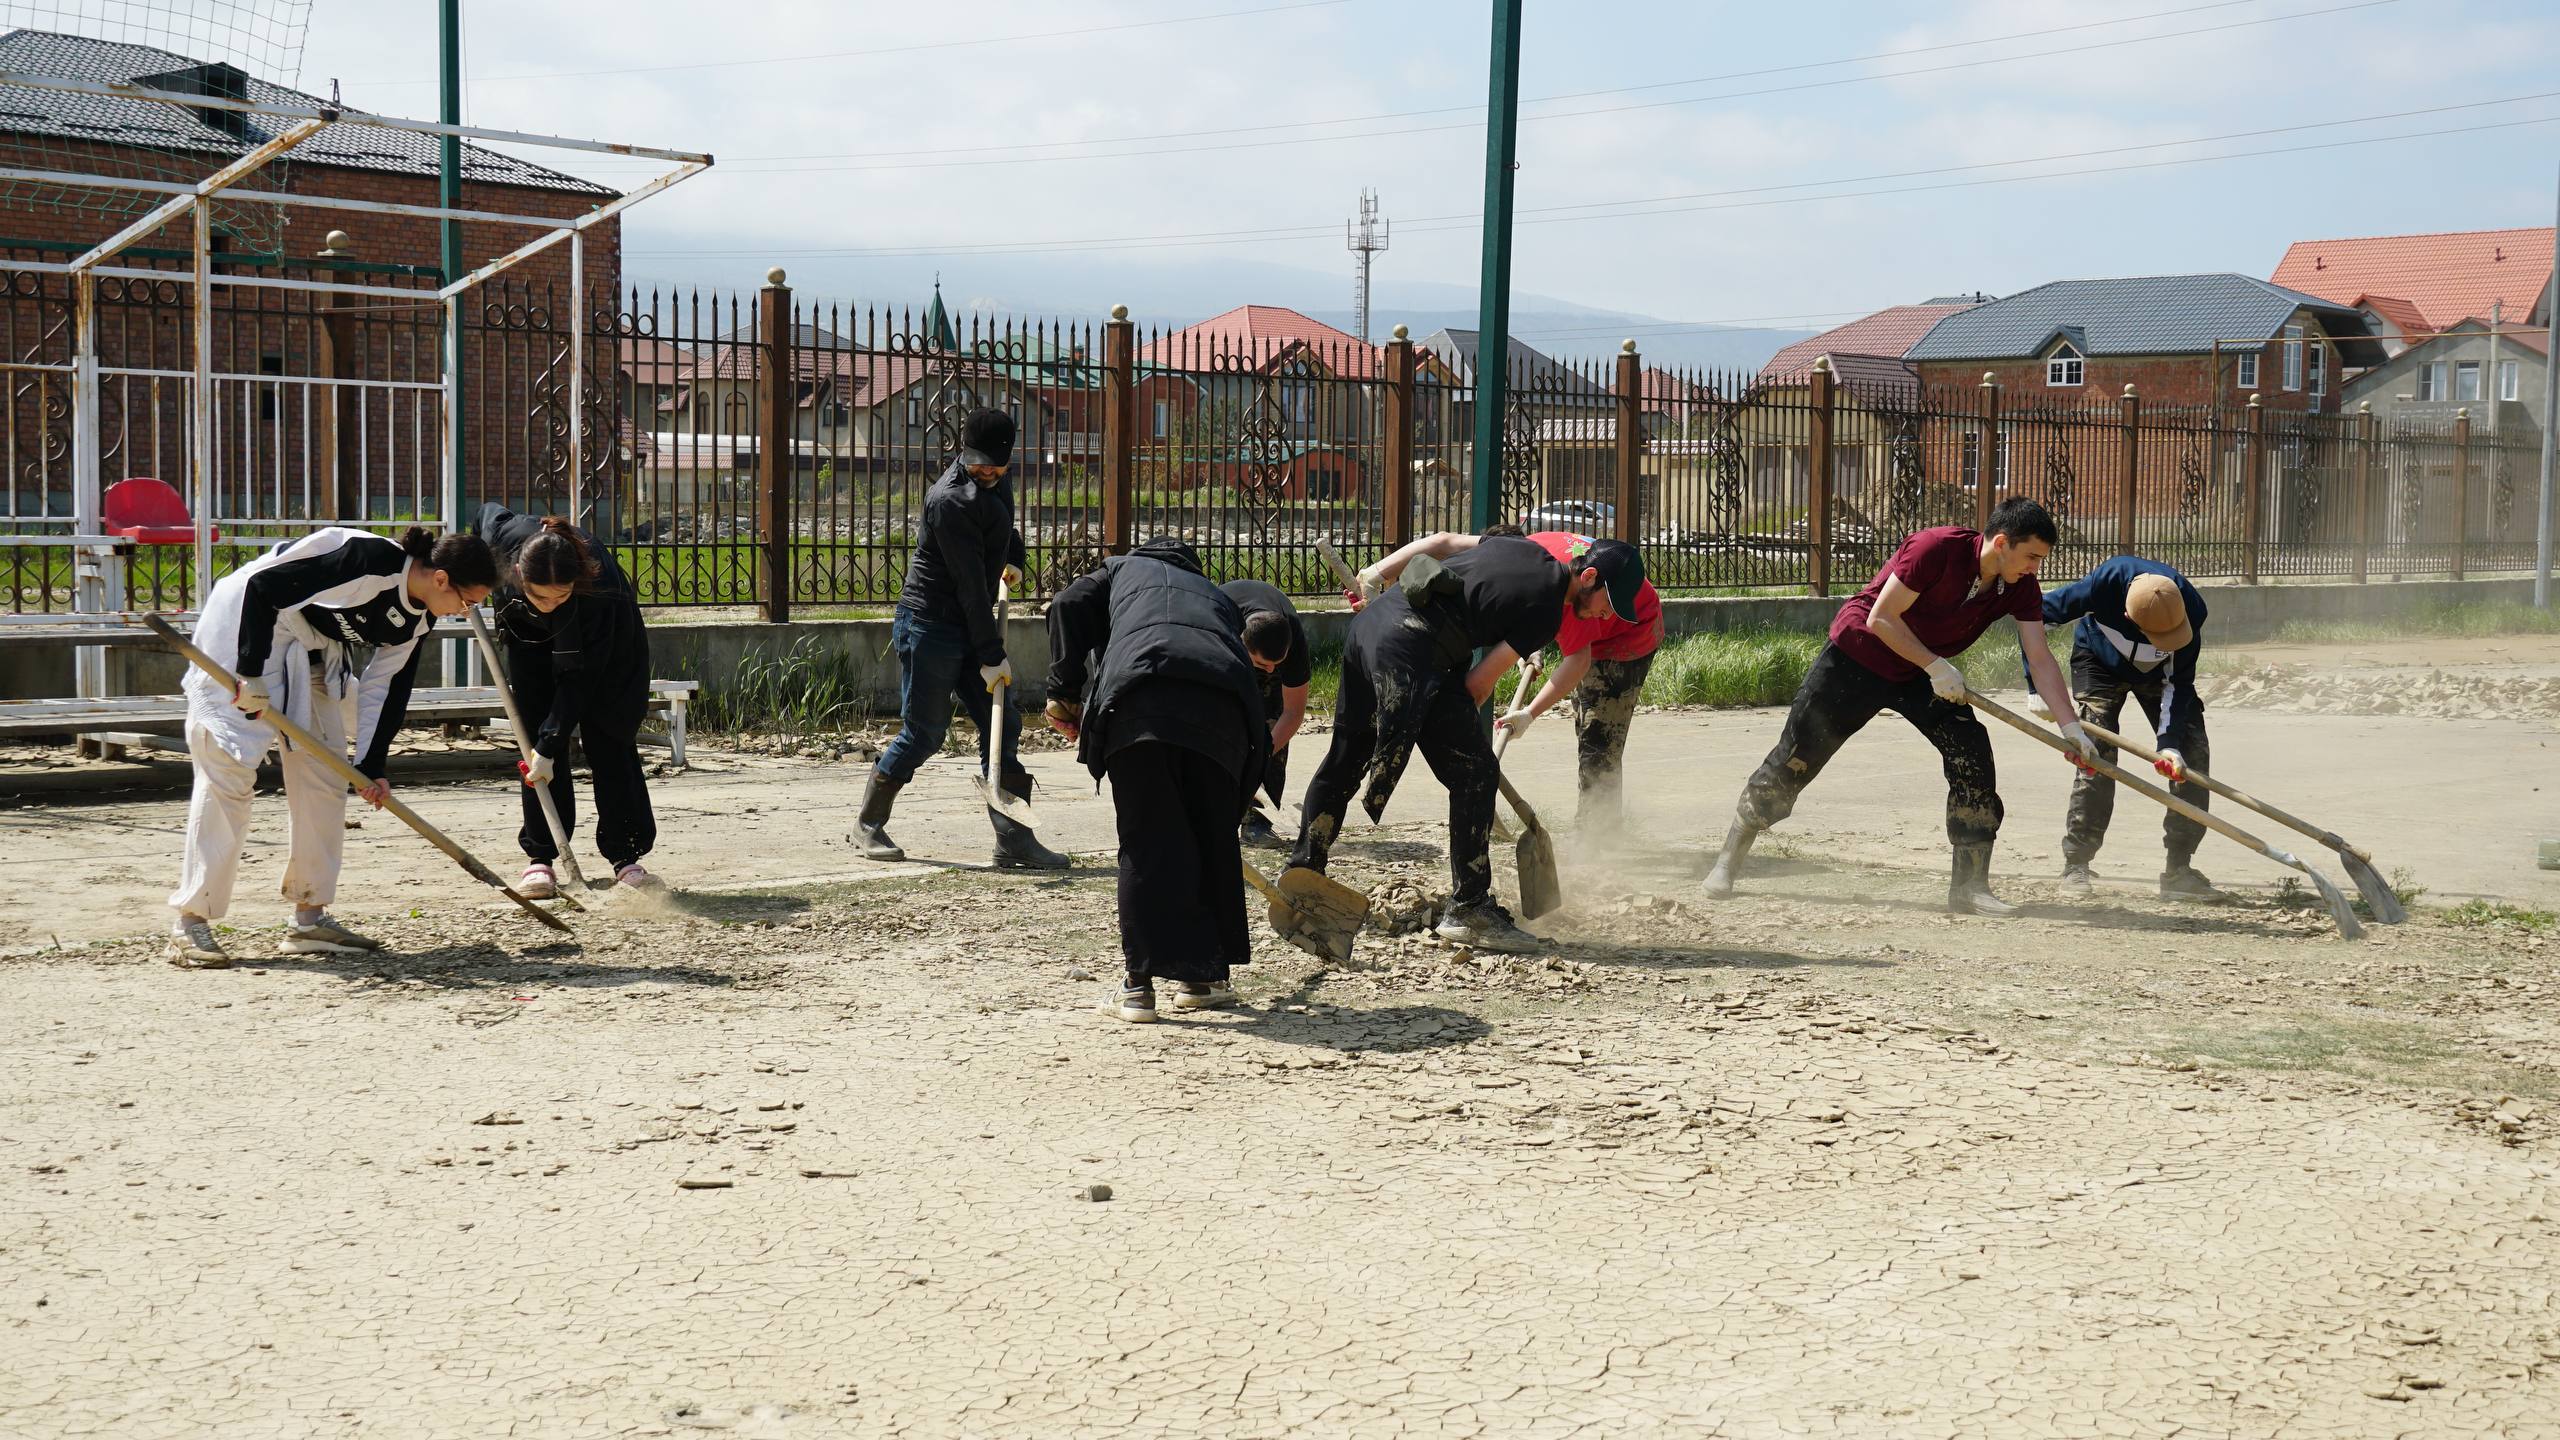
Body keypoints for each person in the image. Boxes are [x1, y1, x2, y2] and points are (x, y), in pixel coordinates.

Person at [1699, 497, 2094, 916]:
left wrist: (2070, 727)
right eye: (2031, 556)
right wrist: (1937, 666)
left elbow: (2038, 656)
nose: (2036, 568)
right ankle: (1730, 857)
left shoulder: (2019, 586)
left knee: (1972, 754)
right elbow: (1882, 618)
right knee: (1796, 758)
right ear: (2001, 542)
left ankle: (1970, 887)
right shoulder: (1934, 549)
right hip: (1857, 658)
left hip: (1919, 673)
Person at [167, 525, 497, 968]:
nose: (465, 611)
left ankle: (309, 917)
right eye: (468, 602)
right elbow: (264, 588)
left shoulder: (420, 619)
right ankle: (191, 922)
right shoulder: (368, 561)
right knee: (228, 768)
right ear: (441, 579)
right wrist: (251, 674)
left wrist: (371, 765)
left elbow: (387, 688)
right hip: (248, 623)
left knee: (325, 774)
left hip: (314, 644)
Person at [1300, 531, 1646, 952]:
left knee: (1346, 756)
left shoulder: (1520, 547)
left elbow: (1443, 542)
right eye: (1606, 606)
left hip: (1370, 629)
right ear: (1589, 576)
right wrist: (1470, 731)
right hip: (1411, 651)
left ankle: (1303, 873)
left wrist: (1376, 573)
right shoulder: (1546, 611)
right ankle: (1469, 909)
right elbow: (1477, 686)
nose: (1605, 617)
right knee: (1476, 773)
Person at [1045, 539, 1270, 1023]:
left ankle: (1137, 989)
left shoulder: (1121, 568)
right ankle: (1201, 979)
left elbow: (1066, 604)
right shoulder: (1216, 596)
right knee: (1209, 840)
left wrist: (1062, 691)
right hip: (1223, 716)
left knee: (1146, 844)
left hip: (1141, 706)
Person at [854, 407, 1068, 869]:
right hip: (931, 624)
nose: (986, 470)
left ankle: (1013, 840)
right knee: (925, 733)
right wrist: (991, 654)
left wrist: (1014, 555)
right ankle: (868, 824)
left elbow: (1002, 525)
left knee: (1004, 725)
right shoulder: (949, 500)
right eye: (977, 462)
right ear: (962, 452)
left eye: (995, 463)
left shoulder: (997, 480)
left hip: (969, 621)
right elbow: (971, 585)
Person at [1357, 527, 1665, 842]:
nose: (1607, 614)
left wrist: (1529, 714)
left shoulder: (1582, 597)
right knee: (1586, 725)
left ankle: (1598, 841)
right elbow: (1442, 543)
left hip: (1629, 636)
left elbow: (1578, 660)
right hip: (1586, 603)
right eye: (1609, 605)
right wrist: (1373, 575)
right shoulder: (1530, 558)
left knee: (1598, 739)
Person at [473, 503, 660, 896]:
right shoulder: (505, 539)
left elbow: (581, 679)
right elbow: (483, 515)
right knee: (534, 742)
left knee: (610, 737)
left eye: (561, 596)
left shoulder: (598, 586)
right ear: (521, 574)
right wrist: (471, 581)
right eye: (543, 596)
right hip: (529, 639)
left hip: (608, 653)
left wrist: (554, 738)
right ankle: (541, 856)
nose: (552, 603)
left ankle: (625, 856)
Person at [2032, 554, 2219, 901]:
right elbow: (2033, 615)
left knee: (2191, 755)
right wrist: (2035, 687)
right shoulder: (2102, 586)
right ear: (2128, 616)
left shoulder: (2190, 609)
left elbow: (2179, 683)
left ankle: (2179, 869)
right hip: (2098, 663)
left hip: (2162, 678)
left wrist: (2170, 744)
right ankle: (2077, 864)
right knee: (2094, 758)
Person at [1219, 577, 1310, 847]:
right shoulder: (1220, 623)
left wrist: (1263, 753)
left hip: (1261, 644)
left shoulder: (1293, 642)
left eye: (1276, 664)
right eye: (1262, 664)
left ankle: (1257, 822)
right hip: (1225, 652)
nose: (1270, 670)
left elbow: (1293, 712)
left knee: (1270, 728)